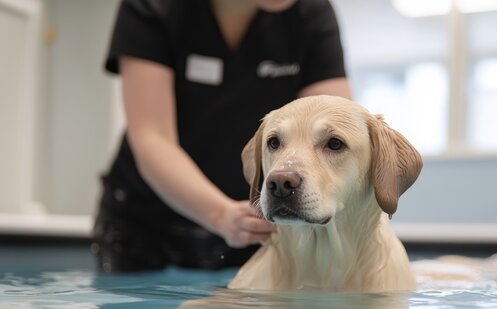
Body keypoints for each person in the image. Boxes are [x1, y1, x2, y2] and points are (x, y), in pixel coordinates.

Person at [91, 0, 352, 272]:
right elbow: (152, 138)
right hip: (147, 222)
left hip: (255, 223)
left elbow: (339, 129)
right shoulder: (153, 6)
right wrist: (220, 215)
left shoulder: (311, 12)